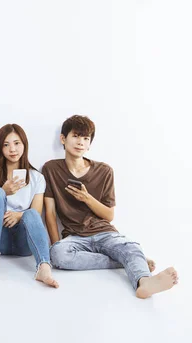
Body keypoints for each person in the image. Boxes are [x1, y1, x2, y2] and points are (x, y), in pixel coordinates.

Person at [43, 115, 178, 298]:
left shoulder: (104, 171)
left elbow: (109, 215)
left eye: (86, 138)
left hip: (105, 232)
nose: (81, 142)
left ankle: (144, 282)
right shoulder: (51, 169)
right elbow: (49, 212)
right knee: (58, 254)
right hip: (75, 238)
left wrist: (87, 198)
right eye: (76, 136)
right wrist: (55, 245)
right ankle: (127, 261)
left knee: (130, 247)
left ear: (90, 144)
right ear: (63, 139)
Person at [0, 124, 58, 288]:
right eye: (6, 145)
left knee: (30, 214)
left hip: (24, 242)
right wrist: (4, 191)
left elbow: (36, 212)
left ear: (24, 145)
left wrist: (18, 215)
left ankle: (43, 266)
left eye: (17, 143)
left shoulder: (37, 178)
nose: (12, 149)